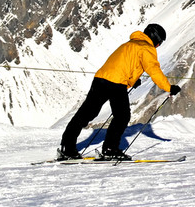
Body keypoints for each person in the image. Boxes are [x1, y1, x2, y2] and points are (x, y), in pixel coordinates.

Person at [58, 23, 181, 161]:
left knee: (86, 114)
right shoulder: (146, 48)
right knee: (122, 117)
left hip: (100, 79)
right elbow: (154, 70)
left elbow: (122, 65)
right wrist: (169, 88)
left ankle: (66, 148)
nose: (157, 46)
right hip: (116, 83)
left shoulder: (129, 44)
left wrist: (131, 81)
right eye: (159, 43)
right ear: (155, 39)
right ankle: (110, 149)